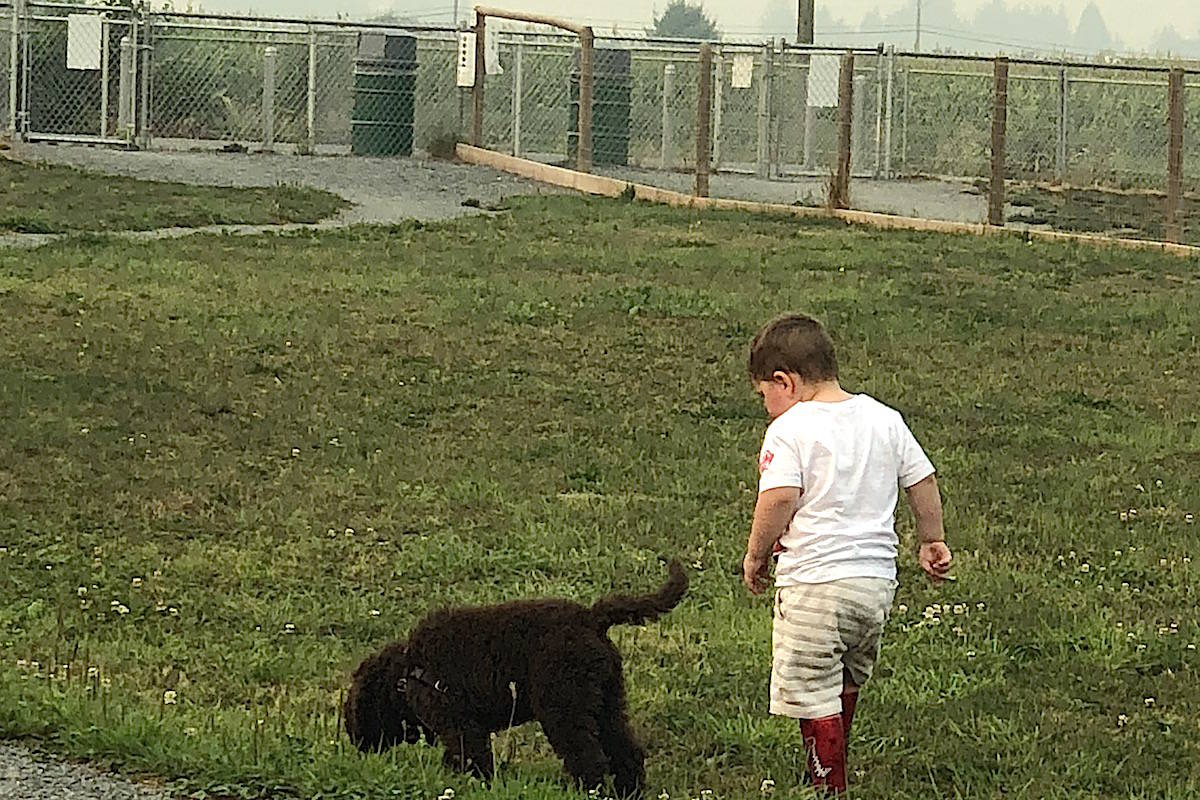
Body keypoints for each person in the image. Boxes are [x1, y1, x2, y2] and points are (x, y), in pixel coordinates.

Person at [741, 313, 952, 795]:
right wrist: (930, 539)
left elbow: (777, 498)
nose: (767, 408)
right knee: (843, 682)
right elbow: (923, 479)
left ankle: (827, 786)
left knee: (812, 692)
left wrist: (756, 554)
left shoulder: (790, 429)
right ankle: (832, 764)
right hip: (874, 587)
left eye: (764, 396)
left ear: (785, 382)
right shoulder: (884, 418)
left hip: (815, 587)